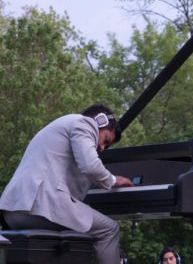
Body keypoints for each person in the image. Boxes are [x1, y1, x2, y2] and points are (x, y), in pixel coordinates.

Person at [0, 103, 133, 264]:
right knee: (109, 230)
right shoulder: (84, 123)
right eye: (105, 140)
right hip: (39, 205)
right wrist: (113, 180)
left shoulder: (60, 127)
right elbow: (90, 165)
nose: (102, 148)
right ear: (100, 121)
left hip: (12, 211)